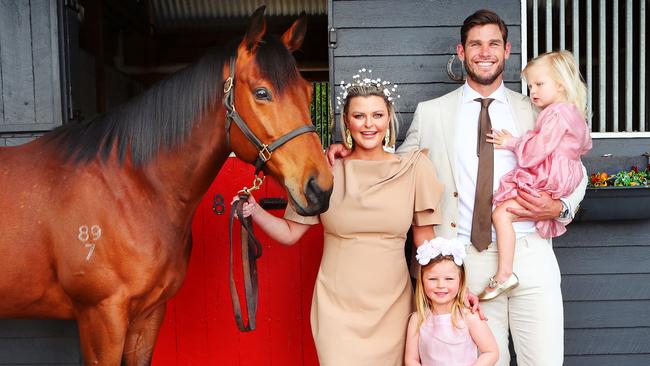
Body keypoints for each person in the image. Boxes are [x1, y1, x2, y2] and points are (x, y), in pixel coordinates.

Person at [327, 9, 587, 366]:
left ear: (507, 50)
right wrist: (351, 152)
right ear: (461, 51)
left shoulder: (537, 109)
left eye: (494, 43)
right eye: (475, 44)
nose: (485, 51)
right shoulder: (431, 113)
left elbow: (575, 167)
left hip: (532, 253)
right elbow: (395, 169)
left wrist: (560, 208)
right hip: (466, 261)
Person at [233, 69, 445, 365]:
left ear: (389, 118)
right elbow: (291, 233)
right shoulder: (326, 170)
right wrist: (253, 210)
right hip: (336, 306)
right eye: (359, 116)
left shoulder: (414, 168)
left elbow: (426, 243)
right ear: (346, 121)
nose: (368, 124)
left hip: (394, 305)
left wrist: (448, 294)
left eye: (377, 115)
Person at [480, 50, 592, 300]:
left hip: (549, 177)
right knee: (510, 212)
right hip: (561, 176)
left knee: (501, 213)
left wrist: (512, 142)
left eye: (540, 84)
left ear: (561, 85)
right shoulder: (573, 113)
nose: (533, 92)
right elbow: (583, 146)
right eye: (530, 86)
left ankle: (504, 273)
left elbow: (534, 153)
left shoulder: (554, 114)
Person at [404, 237, 498, 366]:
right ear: (422, 281)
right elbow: (411, 359)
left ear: (460, 281)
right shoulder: (417, 319)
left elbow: (491, 352)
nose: (441, 285)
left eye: (449, 278)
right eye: (432, 279)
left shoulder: (469, 317)